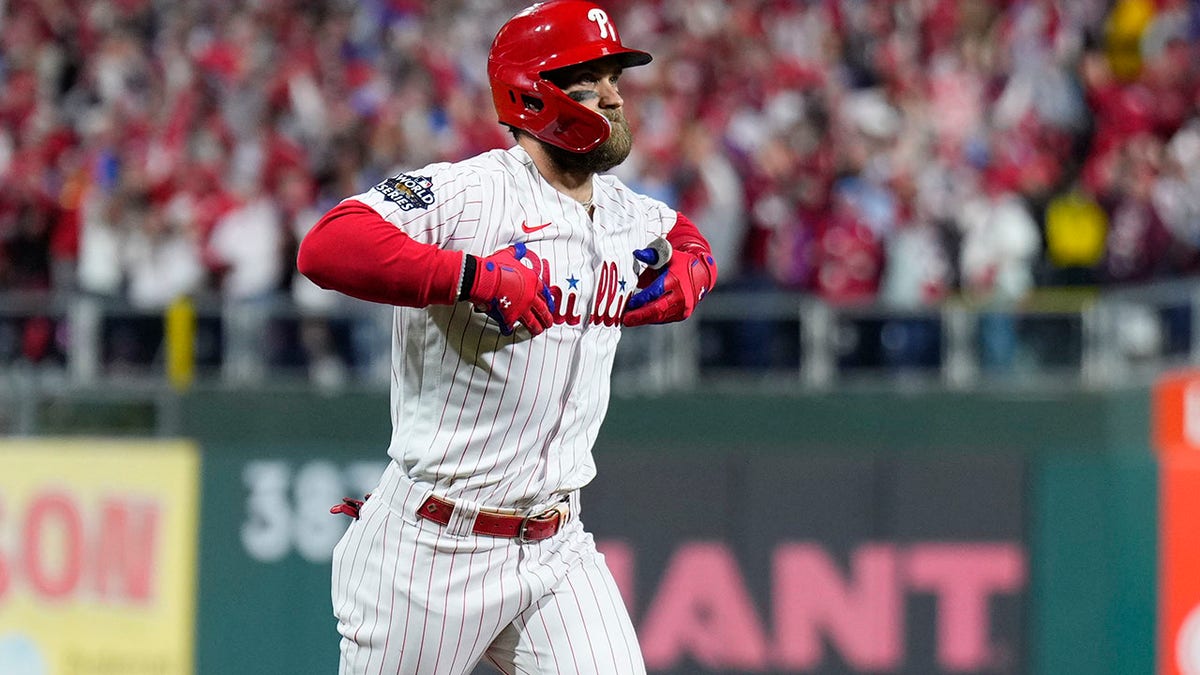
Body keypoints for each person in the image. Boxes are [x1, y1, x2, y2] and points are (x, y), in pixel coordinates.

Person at [295, 2, 718, 673]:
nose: (612, 95)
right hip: (432, 547)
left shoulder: (623, 210)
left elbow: (683, 236)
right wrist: (470, 275)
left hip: (556, 544)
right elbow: (327, 246)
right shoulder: (468, 192)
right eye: (589, 79)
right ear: (533, 90)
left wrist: (695, 264)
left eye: (614, 77)